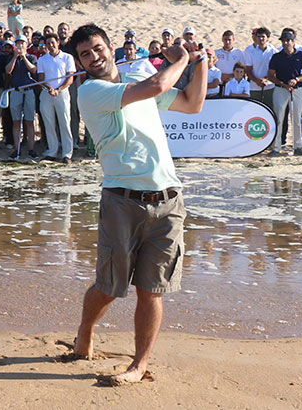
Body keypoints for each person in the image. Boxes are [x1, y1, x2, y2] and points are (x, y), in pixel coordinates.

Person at [67, 23, 207, 386]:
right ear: (80, 62)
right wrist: (184, 58)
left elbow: (192, 104)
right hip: (121, 200)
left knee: (152, 289)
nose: (93, 56)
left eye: (97, 48)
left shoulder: (137, 76)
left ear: (110, 47)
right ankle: (85, 332)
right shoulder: (92, 91)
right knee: (110, 286)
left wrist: (202, 60)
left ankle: (139, 364)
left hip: (168, 201)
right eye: (85, 54)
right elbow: (159, 85)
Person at [267, 31, 302, 156]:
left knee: (296, 118)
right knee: (279, 118)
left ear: (293, 41)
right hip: (281, 89)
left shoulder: (300, 55)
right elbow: (270, 75)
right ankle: (276, 147)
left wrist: (296, 79)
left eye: (287, 40)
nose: (285, 43)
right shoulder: (277, 56)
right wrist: (283, 84)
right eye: (283, 41)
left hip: (297, 89)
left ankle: (298, 146)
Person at [37, 34, 77, 163]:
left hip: (62, 93)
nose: (50, 45)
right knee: (49, 124)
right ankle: (52, 151)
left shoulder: (67, 57)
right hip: (46, 93)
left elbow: (70, 78)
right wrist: (49, 89)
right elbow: (41, 79)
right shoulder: (42, 59)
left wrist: (58, 89)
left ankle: (67, 153)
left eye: (52, 42)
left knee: (65, 123)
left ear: (58, 42)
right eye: (48, 43)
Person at [6, 35, 38, 160]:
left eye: (22, 43)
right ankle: (16, 149)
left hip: (29, 91)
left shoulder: (32, 57)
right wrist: (15, 57)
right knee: (16, 122)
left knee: (30, 121)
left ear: (26, 44)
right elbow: (8, 71)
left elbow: (34, 70)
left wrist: (24, 57)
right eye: (18, 44)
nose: (20, 46)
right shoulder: (11, 58)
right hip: (16, 91)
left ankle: (31, 149)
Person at [244, 27, 277, 109]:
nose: (260, 39)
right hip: (254, 87)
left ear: (268, 38)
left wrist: (265, 79)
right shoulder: (250, 51)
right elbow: (248, 70)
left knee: (270, 109)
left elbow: (275, 70)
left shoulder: (274, 52)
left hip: (270, 86)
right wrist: (257, 81)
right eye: (258, 36)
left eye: (263, 36)